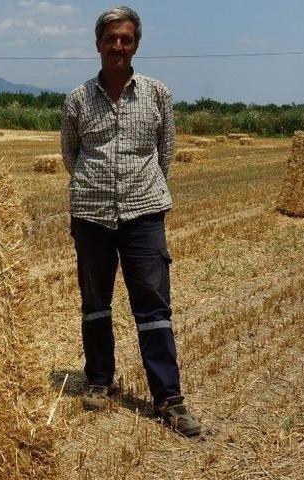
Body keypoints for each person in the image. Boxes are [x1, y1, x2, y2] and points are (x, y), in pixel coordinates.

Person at [60, 6, 200, 437]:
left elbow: (166, 153)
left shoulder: (158, 94)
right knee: (95, 303)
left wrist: (144, 191)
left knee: (154, 307)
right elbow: (70, 155)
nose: (118, 46)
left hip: (144, 213)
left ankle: (169, 398)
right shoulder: (78, 99)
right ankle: (99, 381)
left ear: (136, 44)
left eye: (126, 39)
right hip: (92, 214)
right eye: (111, 39)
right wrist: (97, 188)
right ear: (98, 43)